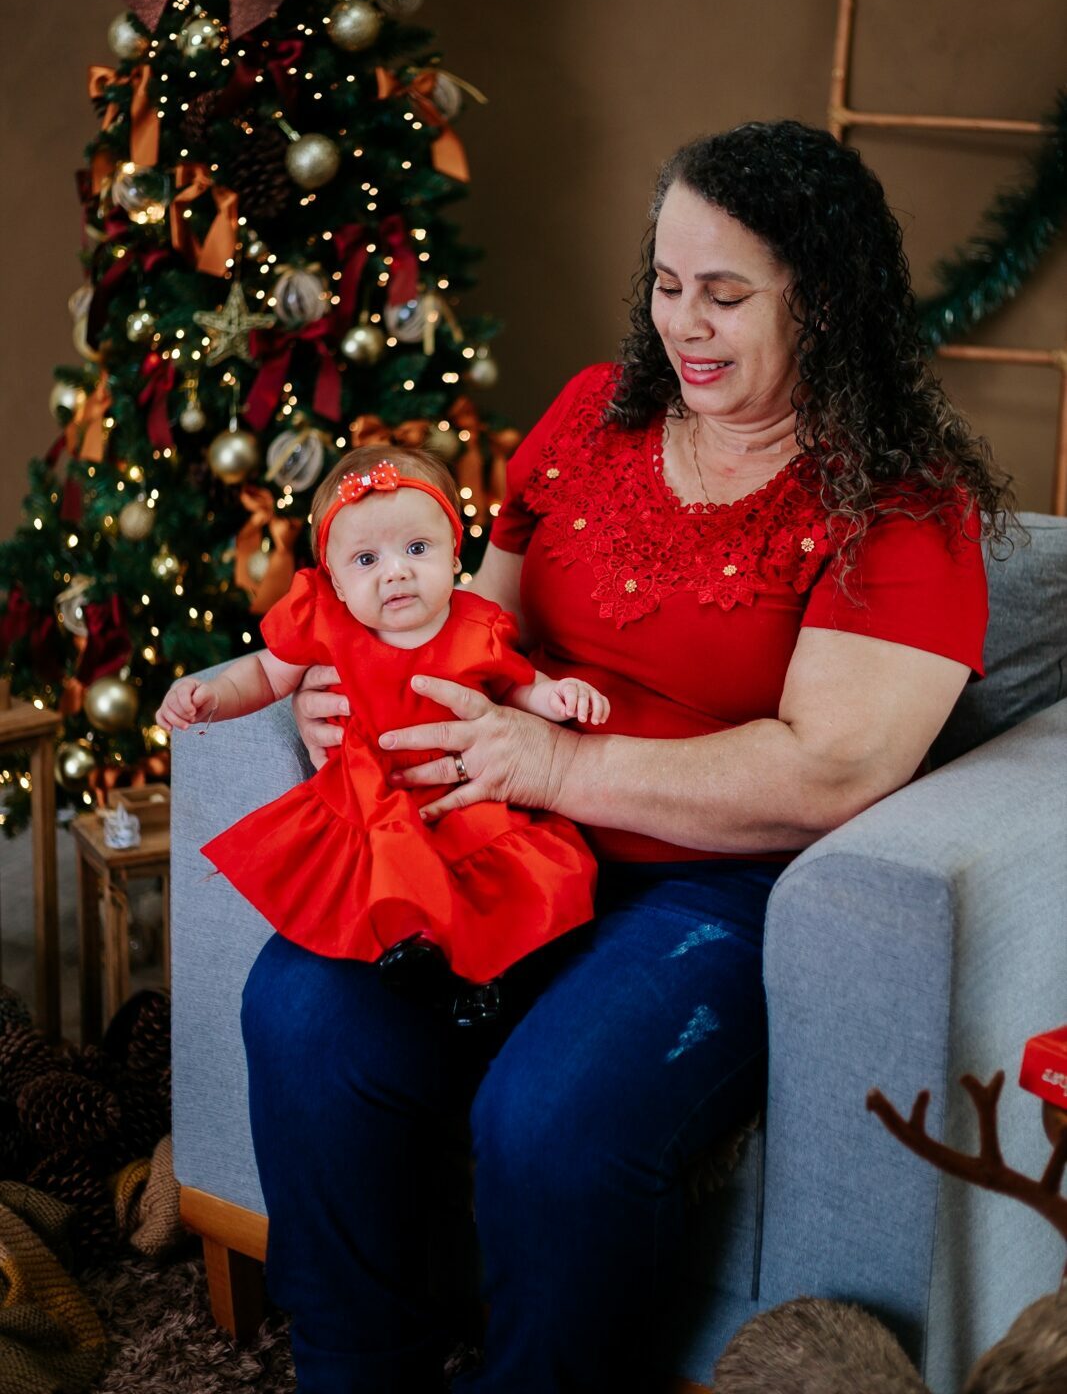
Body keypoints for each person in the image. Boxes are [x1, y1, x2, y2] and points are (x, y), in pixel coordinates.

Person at [239, 120, 1009, 1394]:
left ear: (821, 302)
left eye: (723, 295)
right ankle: (354, 1370)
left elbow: (831, 770)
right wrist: (360, 692)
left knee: (546, 1121)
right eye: (665, 283)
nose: (682, 325)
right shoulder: (592, 413)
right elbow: (471, 632)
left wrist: (552, 765)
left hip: (721, 886)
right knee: (300, 1007)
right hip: (501, 836)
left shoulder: (897, 499)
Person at [158, 446, 604, 1025]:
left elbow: (515, 687)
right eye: (366, 559)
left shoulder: (477, 625)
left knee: (510, 879)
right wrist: (214, 696)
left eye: (417, 549)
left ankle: (490, 977)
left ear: (454, 554)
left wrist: (555, 697)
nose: (396, 571)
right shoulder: (327, 624)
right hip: (375, 798)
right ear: (337, 583)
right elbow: (266, 674)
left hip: (462, 795)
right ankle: (418, 960)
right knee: (393, 870)